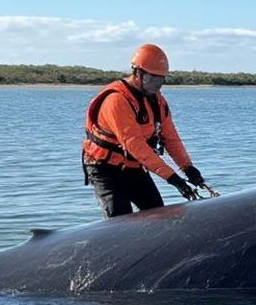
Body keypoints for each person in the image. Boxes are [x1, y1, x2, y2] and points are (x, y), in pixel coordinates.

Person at [82, 43, 213, 218]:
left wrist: (187, 167)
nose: (159, 83)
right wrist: (173, 178)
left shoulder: (158, 101)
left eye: (162, 78)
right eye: (154, 77)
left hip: (133, 167)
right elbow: (135, 146)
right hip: (104, 168)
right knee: (119, 218)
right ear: (138, 73)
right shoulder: (117, 101)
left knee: (156, 213)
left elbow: (171, 138)